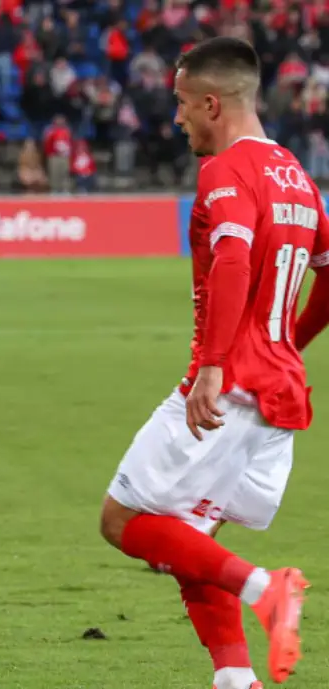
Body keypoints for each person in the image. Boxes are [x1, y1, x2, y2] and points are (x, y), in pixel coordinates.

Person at [99, 37, 329, 689]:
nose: (176, 119)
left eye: (179, 104)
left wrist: (215, 365)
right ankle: (236, 680)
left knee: (124, 520)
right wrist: (287, 341)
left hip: (231, 385)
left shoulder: (226, 171)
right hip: (278, 390)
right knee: (189, 539)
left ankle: (268, 589)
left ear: (210, 102)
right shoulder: (296, 174)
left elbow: (231, 258)